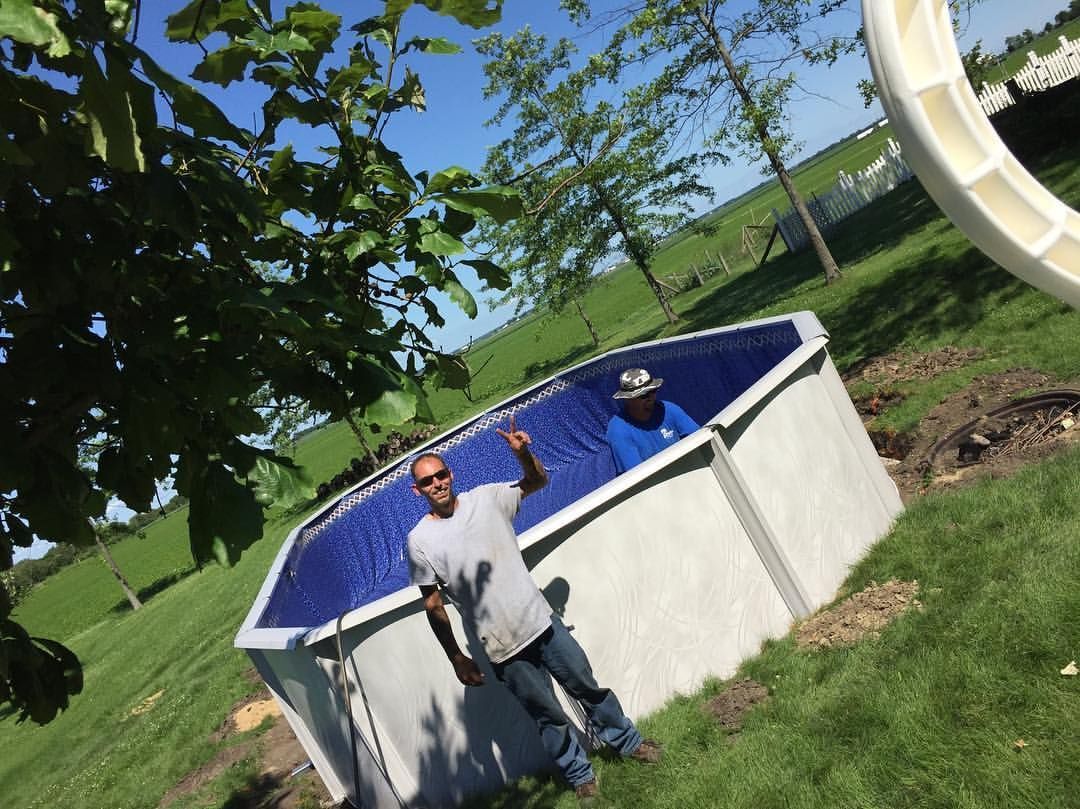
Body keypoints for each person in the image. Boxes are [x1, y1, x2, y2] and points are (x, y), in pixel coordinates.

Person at [406, 415, 662, 802]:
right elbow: (433, 603)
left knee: (589, 689)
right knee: (548, 718)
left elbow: (537, 481)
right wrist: (457, 656)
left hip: (542, 623)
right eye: (427, 481)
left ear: (450, 473)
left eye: (440, 474)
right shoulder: (419, 540)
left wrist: (524, 454)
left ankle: (628, 743)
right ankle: (580, 776)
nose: (437, 484)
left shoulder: (488, 498)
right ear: (416, 490)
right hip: (502, 648)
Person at [606, 367, 701, 474]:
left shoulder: (668, 409)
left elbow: (699, 438)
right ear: (628, 399)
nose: (650, 397)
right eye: (643, 395)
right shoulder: (618, 430)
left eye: (653, 390)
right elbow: (637, 475)